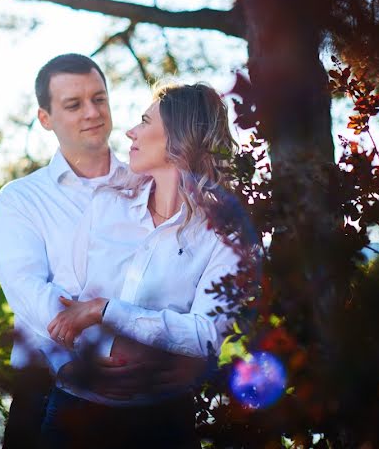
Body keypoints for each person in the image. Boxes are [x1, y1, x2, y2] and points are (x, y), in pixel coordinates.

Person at [0, 56, 208, 448]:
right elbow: (28, 291)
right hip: (47, 398)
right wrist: (102, 351)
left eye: (99, 99)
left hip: (154, 400)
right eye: (74, 105)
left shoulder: (154, 183)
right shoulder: (21, 199)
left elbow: (190, 280)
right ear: (45, 118)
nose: (92, 113)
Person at [41, 82, 244, 448]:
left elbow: (206, 334)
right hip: (75, 413)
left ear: (178, 136)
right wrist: (92, 357)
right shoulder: (105, 206)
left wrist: (106, 311)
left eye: (144, 121)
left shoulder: (225, 235)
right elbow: (63, 300)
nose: (130, 132)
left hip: (161, 425)